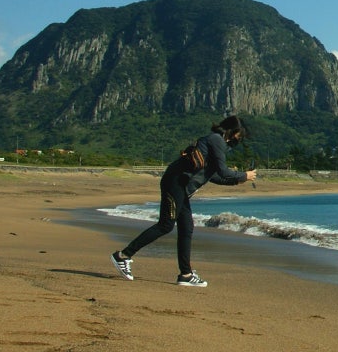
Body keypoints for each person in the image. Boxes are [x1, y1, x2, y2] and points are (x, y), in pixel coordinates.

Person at [110, 115, 257, 287]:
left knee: (187, 227)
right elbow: (224, 171)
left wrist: (238, 180)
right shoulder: (216, 140)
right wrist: (244, 175)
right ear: (233, 131)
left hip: (181, 186)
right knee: (165, 225)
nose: (239, 139)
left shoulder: (217, 142)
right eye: (240, 135)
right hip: (175, 183)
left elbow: (215, 176)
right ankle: (122, 256)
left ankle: (185, 274)